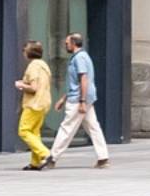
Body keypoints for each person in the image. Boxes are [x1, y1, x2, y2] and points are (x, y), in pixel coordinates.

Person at [45, 32, 109, 169]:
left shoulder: (79, 58)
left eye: (67, 43)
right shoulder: (83, 56)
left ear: (73, 43)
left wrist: (81, 101)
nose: (65, 45)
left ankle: (52, 157)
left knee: (67, 127)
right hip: (84, 97)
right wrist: (63, 98)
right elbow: (76, 82)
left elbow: (83, 79)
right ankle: (103, 157)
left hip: (79, 99)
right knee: (93, 127)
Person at [14, 41, 53, 171]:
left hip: (33, 104)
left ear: (28, 53)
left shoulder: (33, 66)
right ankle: (35, 162)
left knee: (24, 130)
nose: (23, 53)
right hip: (43, 102)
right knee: (34, 132)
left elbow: (33, 88)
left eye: (24, 50)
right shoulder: (44, 65)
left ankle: (45, 154)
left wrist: (21, 85)